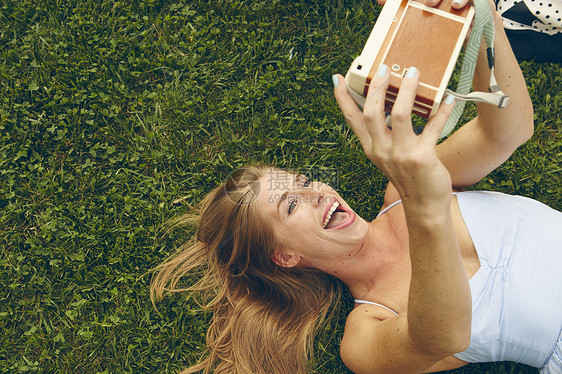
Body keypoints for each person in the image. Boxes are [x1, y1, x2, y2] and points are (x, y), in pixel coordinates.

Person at [151, 1, 562, 373]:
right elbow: (444, 336)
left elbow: (508, 132)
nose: (316, 193)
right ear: (285, 257)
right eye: (291, 205)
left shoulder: (401, 192)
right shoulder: (365, 332)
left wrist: (482, 18)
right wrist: (426, 203)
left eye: (305, 181)